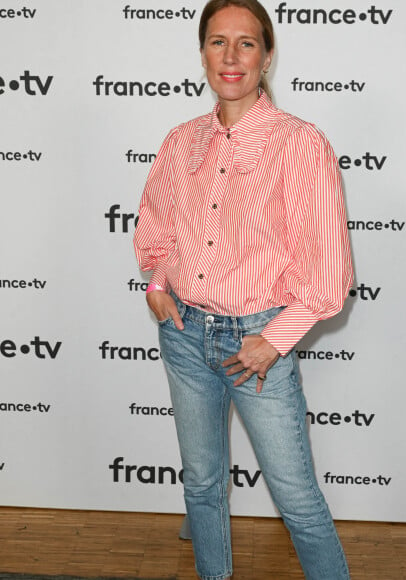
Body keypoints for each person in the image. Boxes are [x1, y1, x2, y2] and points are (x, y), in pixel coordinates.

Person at [133, 1, 353, 578]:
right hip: (183, 335)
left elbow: (328, 272)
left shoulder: (300, 145)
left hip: (257, 343)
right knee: (202, 487)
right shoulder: (181, 141)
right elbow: (156, 225)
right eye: (217, 42)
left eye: (246, 43)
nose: (230, 57)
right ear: (202, 52)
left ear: (268, 55)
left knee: (298, 501)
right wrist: (158, 281)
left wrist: (273, 340)